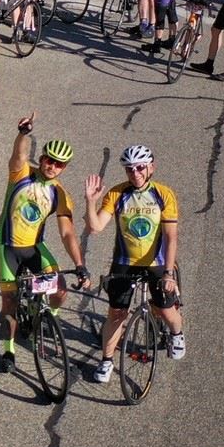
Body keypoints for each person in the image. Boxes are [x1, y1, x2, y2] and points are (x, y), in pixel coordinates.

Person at [0, 113, 91, 374]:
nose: (52, 166)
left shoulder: (60, 194)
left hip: (35, 247)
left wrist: (79, 264)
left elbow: (67, 233)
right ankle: (9, 349)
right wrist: (23, 134)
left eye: (59, 164)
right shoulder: (21, 174)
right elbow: (19, 155)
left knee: (60, 291)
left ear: (64, 168)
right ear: (42, 158)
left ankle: (47, 319)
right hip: (8, 247)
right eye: (49, 160)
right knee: (9, 300)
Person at [84, 145, 185, 384]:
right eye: (130, 169)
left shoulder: (164, 194)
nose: (135, 173)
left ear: (151, 167)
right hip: (124, 262)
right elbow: (96, 227)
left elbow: (171, 237)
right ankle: (106, 361)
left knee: (165, 310)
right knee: (116, 314)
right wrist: (90, 201)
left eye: (140, 167)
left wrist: (168, 273)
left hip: (156, 262)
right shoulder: (117, 194)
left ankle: (177, 334)